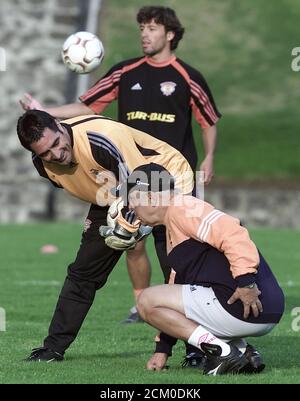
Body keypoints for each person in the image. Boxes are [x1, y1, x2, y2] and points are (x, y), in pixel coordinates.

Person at [19, 6, 221, 341]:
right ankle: (140, 304)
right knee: (129, 242)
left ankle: (197, 336)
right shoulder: (125, 71)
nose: (144, 33)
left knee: (178, 254)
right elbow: (88, 107)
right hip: (124, 173)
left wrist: (210, 157)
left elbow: (208, 120)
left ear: (170, 34)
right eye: (142, 27)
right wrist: (44, 112)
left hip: (169, 173)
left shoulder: (188, 76)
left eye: (152, 28)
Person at [16, 109, 194, 361]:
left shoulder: (102, 137)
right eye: (45, 152)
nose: (56, 154)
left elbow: (141, 183)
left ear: (59, 124)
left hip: (165, 181)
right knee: (83, 271)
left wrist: (131, 226)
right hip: (112, 195)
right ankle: (52, 349)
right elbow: (96, 185)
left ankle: (197, 350)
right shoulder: (43, 165)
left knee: (178, 267)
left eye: (56, 143)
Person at [115, 163, 285, 375]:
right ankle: (243, 351)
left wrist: (246, 282)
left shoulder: (183, 207)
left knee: (145, 300)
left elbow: (233, 233)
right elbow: (175, 292)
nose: (130, 209)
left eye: (131, 200)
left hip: (247, 301)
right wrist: (163, 349)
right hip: (260, 310)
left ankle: (222, 353)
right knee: (161, 299)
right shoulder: (174, 224)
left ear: (149, 197)